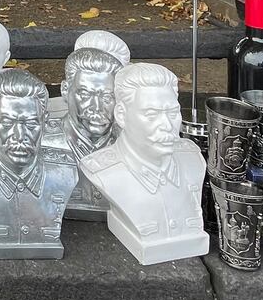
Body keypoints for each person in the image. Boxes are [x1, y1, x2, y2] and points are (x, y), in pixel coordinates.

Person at [80, 63, 208, 265]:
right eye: (151, 114)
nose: (167, 126)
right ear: (121, 115)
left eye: (173, 113)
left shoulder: (193, 159)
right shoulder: (103, 171)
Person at [0, 69, 78, 259]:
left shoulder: (65, 170)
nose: (19, 136)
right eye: (7, 122)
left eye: (31, 123)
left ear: (45, 121)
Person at [44, 48, 123, 219]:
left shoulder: (131, 144)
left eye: (107, 97)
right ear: (65, 90)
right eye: (85, 94)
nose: (97, 107)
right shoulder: (41, 143)